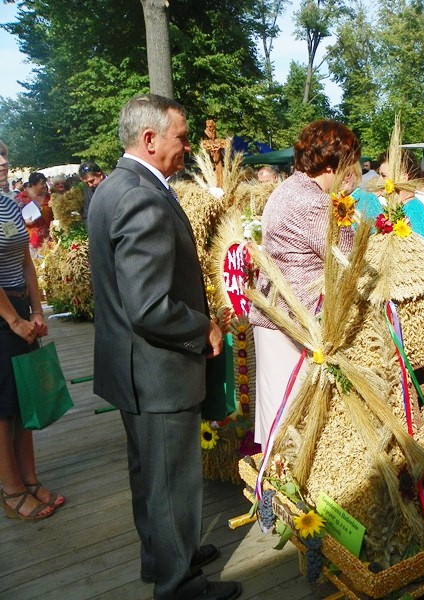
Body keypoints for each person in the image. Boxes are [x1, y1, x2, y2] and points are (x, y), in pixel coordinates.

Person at [88, 94, 241, 600]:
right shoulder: (141, 196)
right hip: (158, 371)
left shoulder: (114, 187)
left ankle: (166, 556)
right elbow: (149, 306)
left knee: (150, 475)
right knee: (171, 480)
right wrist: (204, 328)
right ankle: (180, 587)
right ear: (150, 139)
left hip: (133, 367)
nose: (188, 146)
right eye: (182, 136)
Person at [249, 120, 360, 461]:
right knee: (292, 424)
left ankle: (275, 485)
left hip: (278, 317)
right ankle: (280, 489)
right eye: (349, 164)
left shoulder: (288, 189)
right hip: (295, 324)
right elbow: (351, 256)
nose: (351, 173)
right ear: (331, 165)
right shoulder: (312, 202)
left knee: (279, 417)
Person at [0, 139, 62, 522]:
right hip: (2, 315)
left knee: (25, 398)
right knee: (3, 407)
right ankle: (11, 490)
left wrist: (37, 311)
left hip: (20, 306)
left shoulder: (9, 204)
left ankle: (29, 479)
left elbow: (25, 260)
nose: (2, 162)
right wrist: (13, 320)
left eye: (4, 155)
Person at [16, 172, 52, 250]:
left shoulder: (49, 198)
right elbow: (15, 218)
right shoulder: (22, 198)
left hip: (50, 241)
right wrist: (24, 222)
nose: (44, 185)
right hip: (31, 242)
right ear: (33, 185)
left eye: (45, 183)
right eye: (42, 183)